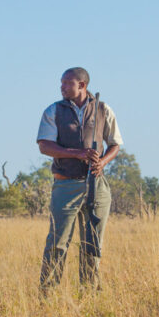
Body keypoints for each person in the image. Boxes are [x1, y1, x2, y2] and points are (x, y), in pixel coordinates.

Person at [36, 67, 123, 292]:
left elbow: (115, 144)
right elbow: (44, 146)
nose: (62, 87)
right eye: (62, 83)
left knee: (92, 243)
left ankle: (90, 294)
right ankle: (48, 294)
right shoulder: (53, 110)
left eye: (67, 83)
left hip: (97, 184)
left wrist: (102, 162)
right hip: (66, 183)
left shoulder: (103, 109)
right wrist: (77, 153)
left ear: (82, 85)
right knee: (57, 243)